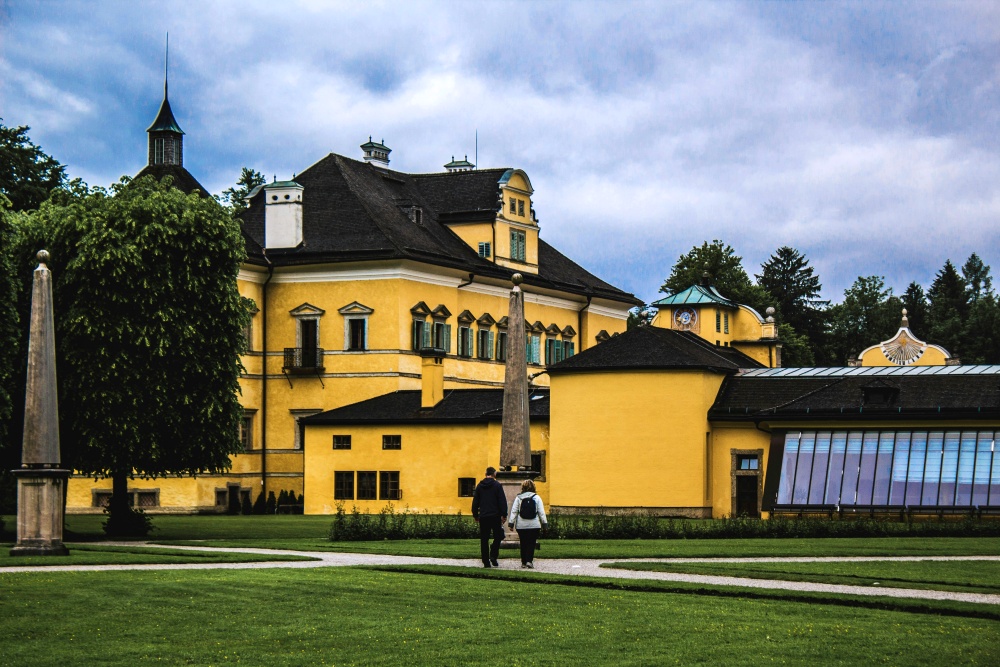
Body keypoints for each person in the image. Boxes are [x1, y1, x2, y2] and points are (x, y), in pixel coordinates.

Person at [471, 466, 507, 568]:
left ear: (486, 474)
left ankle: (485, 561)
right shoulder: (497, 485)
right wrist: (504, 514)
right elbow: (502, 501)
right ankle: (493, 556)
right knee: (498, 536)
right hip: (495, 516)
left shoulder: (479, 486)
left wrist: (475, 515)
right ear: (494, 474)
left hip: (484, 516)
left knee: (484, 539)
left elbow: (475, 502)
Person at [508, 479, 547, 568]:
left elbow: (514, 511)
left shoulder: (519, 498)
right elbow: (541, 512)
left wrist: (511, 523)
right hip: (534, 524)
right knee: (531, 543)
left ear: (523, 487)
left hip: (521, 525)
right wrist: (545, 524)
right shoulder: (537, 497)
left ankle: (523, 562)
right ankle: (529, 561)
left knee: (523, 543)